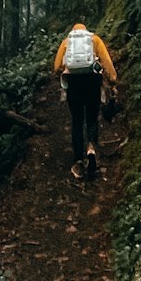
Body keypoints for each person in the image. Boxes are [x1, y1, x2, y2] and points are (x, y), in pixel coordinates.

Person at [54, 21, 117, 180]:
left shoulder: (67, 42)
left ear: (73, 31)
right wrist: (113, 80)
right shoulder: (94, 40)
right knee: (92, 117)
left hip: (74, 84)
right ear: (86, 30)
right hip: (92, 82)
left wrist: (64, 73)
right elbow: (107, 61)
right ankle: (91, 148)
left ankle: (78, 159)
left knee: (76, 120)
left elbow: (56, 67)